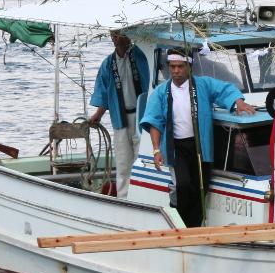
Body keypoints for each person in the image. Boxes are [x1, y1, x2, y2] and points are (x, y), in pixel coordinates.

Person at [140, 48, 257, 227]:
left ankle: (193, 226)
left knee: (200, 187)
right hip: (175, 147)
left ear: (188, 67)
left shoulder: (202, 85)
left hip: (199, 146)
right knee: (183, 184)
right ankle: (178, 220)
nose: (176, 71)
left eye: (180, 66)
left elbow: (225, 89)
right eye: (173, 67)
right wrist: (156, 149)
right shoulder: (161, 92)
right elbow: (154, 122)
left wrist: (238, 102)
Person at [88, 30, 150, 198]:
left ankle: (143, 197)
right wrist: (98, 114)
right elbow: (103, 92)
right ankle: (124, 198)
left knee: (142, 160)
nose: (116, 39)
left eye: (119, 35)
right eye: (113, 36)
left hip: (142, 116)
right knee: (123, 163)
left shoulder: (140, 55)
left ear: (128, 35)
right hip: (120, 117)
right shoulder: (108, 63)